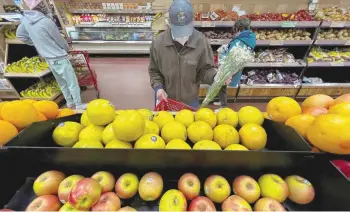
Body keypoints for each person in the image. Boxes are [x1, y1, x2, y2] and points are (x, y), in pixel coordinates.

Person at [148, 0, 230, 109]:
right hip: (164, 99)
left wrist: (216, 77)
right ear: (169, 23)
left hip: (190, 101)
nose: (182, 36)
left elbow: (205, 70)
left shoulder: (201, 41)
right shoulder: (158, 43)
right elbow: (154, 71)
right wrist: (158, 88)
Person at [16, 0, 86, 109]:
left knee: (62, 83)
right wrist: (67, 49)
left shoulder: (25, 20)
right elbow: (59, 40)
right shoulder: (46, 21)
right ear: (40, 6)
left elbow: (20, 35)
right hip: (59, 57)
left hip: (48, 59)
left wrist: (36, 43)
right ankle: (78, 105)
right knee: (72, 83)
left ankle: (70, 102)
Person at [214, 17, 256, 108]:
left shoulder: (240, 40)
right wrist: (227, 48)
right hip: (236, 66)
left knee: (222, 83)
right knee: (222, 84)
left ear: (238, 28)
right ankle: (221, 101)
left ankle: (223, 106)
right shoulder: (247, 39)